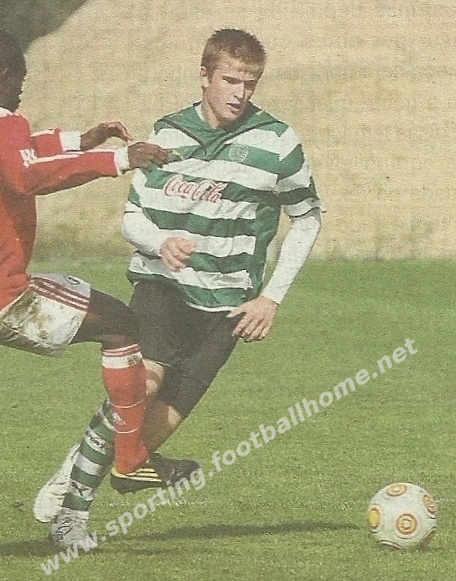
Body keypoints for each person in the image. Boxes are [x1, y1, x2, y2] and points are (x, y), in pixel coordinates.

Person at [34, 28, 324, 546]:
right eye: (230, 80)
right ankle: (72, 511)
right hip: (163, 286)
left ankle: (95, 466)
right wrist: (160, 242)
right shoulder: (167, 134)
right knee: (142, 385)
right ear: (204, 76)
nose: (240, 93)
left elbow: (307, 217)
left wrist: (271, 296)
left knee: (151, 432)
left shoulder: (277, 143)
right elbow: (133, 218)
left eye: (250, 83)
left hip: (230, 306)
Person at [0, 28, 199, 548]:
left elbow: (24, 152)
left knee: (116, 324)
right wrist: (118, 159)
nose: (21, 89)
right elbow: (23, 174)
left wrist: (81, 139)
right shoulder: (4, 122)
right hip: (7, 297)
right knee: (122, 326)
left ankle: (120, 467)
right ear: (3, 74)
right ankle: (127, 462)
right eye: (19, 78)